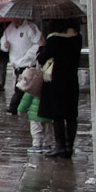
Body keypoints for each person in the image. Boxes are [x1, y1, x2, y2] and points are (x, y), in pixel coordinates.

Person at [36, 18, 84, 158]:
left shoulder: (54, 39)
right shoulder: (77, 37)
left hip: (55, 81)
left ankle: (60, 146)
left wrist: (41, 46)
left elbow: (42, 58)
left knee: (57, 114)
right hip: (71, 80)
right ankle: (69, 146)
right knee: (70, 114)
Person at [0, 17, 42, 114]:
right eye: (14, 19)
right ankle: (22, 107)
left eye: (18, 18)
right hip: (15, 63)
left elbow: (38, 44)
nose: (15, 20)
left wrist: (27, 56)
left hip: (27, 63)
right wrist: (5, 46)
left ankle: (14, 107)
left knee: (20, 86)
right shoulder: (9, 29)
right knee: (23, 86)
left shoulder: (30, 27)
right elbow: (3, 42)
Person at [15, 66, 52, 153]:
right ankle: (47, 145)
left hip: (35, 114)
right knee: (48, 130)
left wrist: (21, 109)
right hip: (49, 113)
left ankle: (37, 145)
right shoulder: (51, 87)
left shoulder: (34, 87)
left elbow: (26, 99)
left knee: (36, 130)